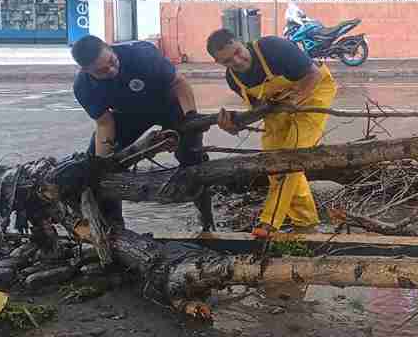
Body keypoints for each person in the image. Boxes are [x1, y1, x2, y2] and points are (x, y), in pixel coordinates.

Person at [208, 29, 338, 237]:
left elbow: (313, 74)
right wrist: (234, 126)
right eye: (227, 61)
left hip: (314, 93)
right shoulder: (233, 79)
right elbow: (259, 109)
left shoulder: (274, 48)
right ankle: (305, 223)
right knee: (273, 162)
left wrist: (295, 101)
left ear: (242, 42)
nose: (237, 61)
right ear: (218, 62)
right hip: (279, 105)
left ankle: (269, 222)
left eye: (237, 52)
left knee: (291, 156)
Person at [71, 36, 208, 230]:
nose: (111, 70)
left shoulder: (141, 54)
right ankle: (114, 228)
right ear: (86, 71)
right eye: (102, 71)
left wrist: (191, 117)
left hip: (169, 106)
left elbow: (178, 83)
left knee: (192, 157)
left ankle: (206, 218)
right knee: (98, 170)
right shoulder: (83, 87)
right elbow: (104, 123)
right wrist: (103, 162)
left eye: (112, 61)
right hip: (128, 115)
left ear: (110, 48)